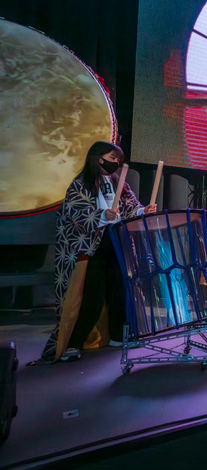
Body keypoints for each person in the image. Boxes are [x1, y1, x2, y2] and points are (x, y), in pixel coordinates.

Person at [30, 141, 157, 364]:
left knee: (119, 289)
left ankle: (118, 336)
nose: (116, 163)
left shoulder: (119, 183)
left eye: (118, 159)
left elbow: (129, 206)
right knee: (90, 293)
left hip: (116, 238)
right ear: (98, 158)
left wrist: (142, 210)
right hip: (91, 244)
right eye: (112, 158)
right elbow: (74, 212)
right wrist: (100, 216)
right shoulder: (81, 184)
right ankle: (73, 343)